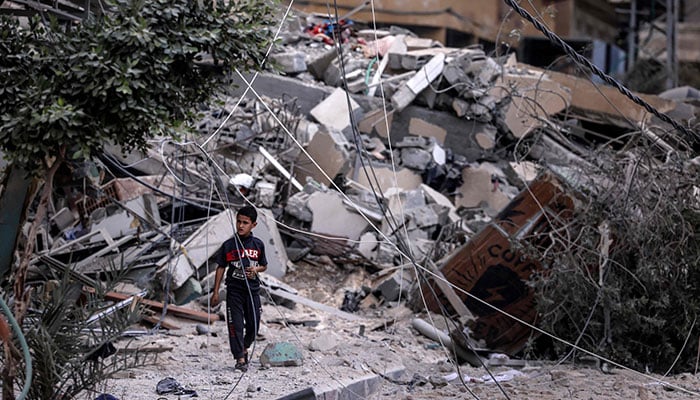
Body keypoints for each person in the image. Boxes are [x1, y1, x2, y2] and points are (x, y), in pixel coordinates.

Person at [211, 206, 267, 372]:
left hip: (252, 291)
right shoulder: (229, 245)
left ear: (253, 225)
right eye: (239, 222)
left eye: (245, 223)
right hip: (234, 291)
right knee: (235, 325)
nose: (241, 226)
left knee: (253, 325)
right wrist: (215, 292)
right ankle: (240, 358)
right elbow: (221, 267)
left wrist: (255, 270)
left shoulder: (258, 245)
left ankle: (245, 347)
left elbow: (264, 265)